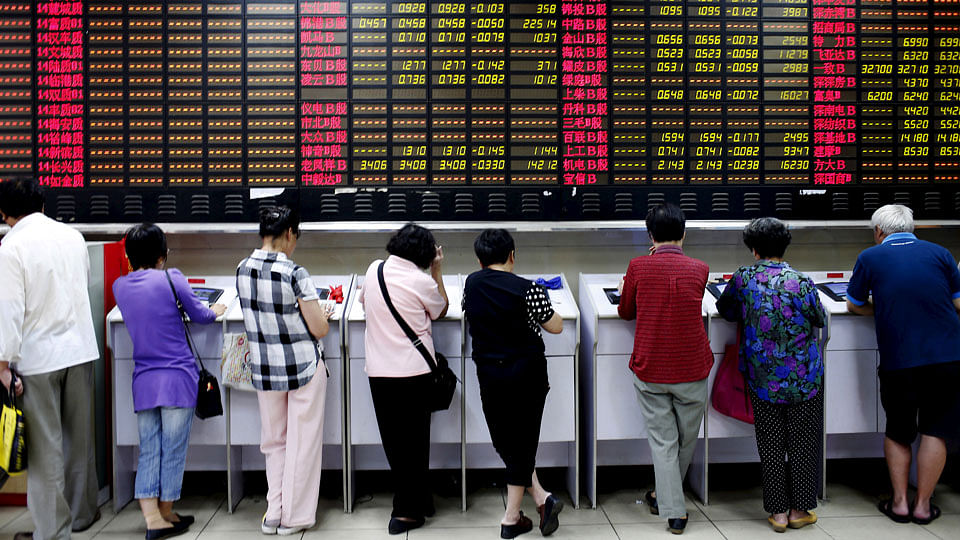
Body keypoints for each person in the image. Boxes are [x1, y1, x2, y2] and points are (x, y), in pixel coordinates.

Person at [846, 204, 960, 526]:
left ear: (879, 231)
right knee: (935, 431)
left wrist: (881, 311)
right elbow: (957, 303)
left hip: (901, 359)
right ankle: (923, 506)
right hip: (947, 356)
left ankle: (899, 503)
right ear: (912, 228)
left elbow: (854, 306)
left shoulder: (870, 257)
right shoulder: (941, 253)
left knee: (898, 430)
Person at [0, 178, 101, 540]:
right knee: (78, 443)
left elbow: (9, 311)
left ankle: (52, 531)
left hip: (37, 359)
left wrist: (3, 365)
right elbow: (83, 285)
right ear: (42, 204)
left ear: (4, 213)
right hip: (80, 351)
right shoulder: (72, 237)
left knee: (45, 453)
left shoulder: (11, 247)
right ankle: (82, 516)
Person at [112, 224, 227, 539]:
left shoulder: (119, 287)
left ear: (129, 255)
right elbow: (201, 316)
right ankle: (162, 515)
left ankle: (156, 516)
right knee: (173, 449)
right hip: (178, 378)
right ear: (162, 255)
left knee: (149, 449)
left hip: (144, 382)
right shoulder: (171, 278)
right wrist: (215, 309)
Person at [717, 217, 826, 533]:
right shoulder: (802, 282)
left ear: (754, 250)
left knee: (770, 443)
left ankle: (777, 514)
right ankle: (799, 510)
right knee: (804, 443)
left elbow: (727, 309)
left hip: (762, 379)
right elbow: (818, 318)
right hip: (804, 379)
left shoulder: (744, 278)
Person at [236, 206, 334, 536]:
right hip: (302, 366)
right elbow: (318, 328)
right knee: (302, 443)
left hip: (265, 369)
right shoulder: (294, 273)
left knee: (274, 442)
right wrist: (325, 313)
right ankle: (295, 518)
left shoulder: (241, 269)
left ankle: (273, 513)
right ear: (290, 233)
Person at [462, 229, 565, 539]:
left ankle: (541, 499)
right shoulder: (528, 289)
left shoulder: (472, 284)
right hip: (526, 374)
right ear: (512, 255)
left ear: (479, 260)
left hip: (489, 373)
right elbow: (556, 326)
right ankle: (510, 519)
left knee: (506, 441)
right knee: (522, 444)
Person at [616, 204, 712, 535]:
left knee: (664, 440)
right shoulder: (700, 268)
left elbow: (626, 311)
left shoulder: (638, 267)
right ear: (684, 234)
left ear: (650, 236)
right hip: (692, 366)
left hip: (651, 366)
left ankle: (672, 507)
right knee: (685, 439)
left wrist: (628, 283)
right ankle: (667, 500)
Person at [358, 223, 448, 535]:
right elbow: (440, 310)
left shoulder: (374, 270)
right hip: (414, 374)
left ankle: (418, 500)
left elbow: (362, 301)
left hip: (380, 373)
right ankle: (409, 510)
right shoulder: (422, 281)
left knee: (395, 444)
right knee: (415, 442)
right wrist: (437, 271)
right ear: (425, 254)